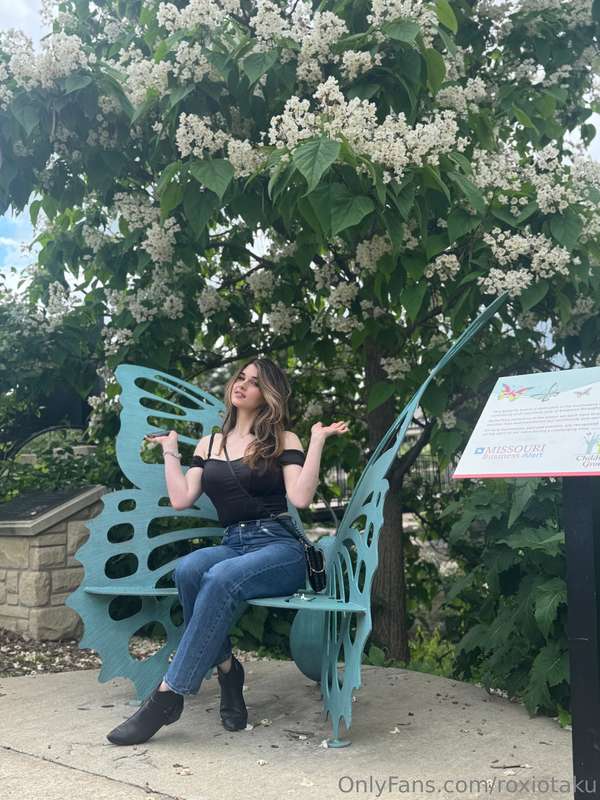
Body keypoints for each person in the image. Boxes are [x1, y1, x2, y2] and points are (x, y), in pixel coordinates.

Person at [106, 357, 349, 745]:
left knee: (219, 576)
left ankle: (167, 696)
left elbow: (300, 498)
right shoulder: (210, 444)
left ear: (267, 395)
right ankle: (227, 670)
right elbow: (182, 498)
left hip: (279, 546)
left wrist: (316, 441)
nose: (242, 384)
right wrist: (170, 450)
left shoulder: (283, 439)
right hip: (234, 542)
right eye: (241, 377)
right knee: (188, 569)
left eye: (254, 382)